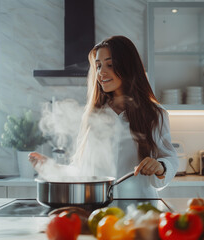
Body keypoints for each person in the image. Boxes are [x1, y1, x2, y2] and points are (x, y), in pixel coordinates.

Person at [30, 35, 178, 198]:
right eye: (98, 66)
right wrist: (52, 168)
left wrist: (160, 166)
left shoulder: (155, 114)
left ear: (128, 67)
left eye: (110, 64)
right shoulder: (92, 115)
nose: (101, 73)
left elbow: (169, 158)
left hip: (139, 208)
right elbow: (82, 170)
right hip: (98, 209)